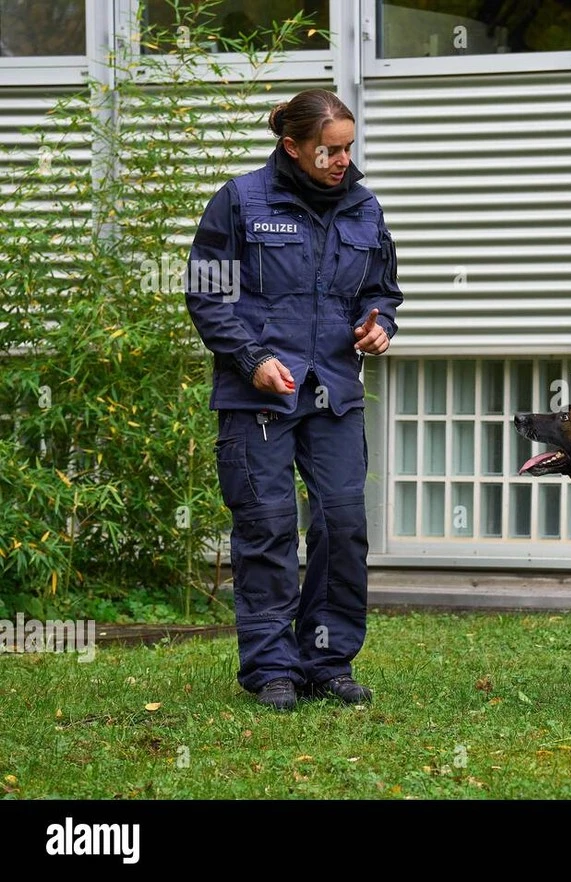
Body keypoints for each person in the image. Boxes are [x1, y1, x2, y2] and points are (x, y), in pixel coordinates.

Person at [185, 89, 403, 711]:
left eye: (348, 148)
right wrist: (252, 360)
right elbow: (206, 295)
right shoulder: (240, 201)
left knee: (343, 524)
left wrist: (380, 320)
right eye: (328, 150)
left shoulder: (363, 207)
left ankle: (328, 661)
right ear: (293, 147)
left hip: (335, 390)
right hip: (257, 396)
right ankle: (271, 667)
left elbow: (383, 288)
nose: (341, 160)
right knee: (268, 528)